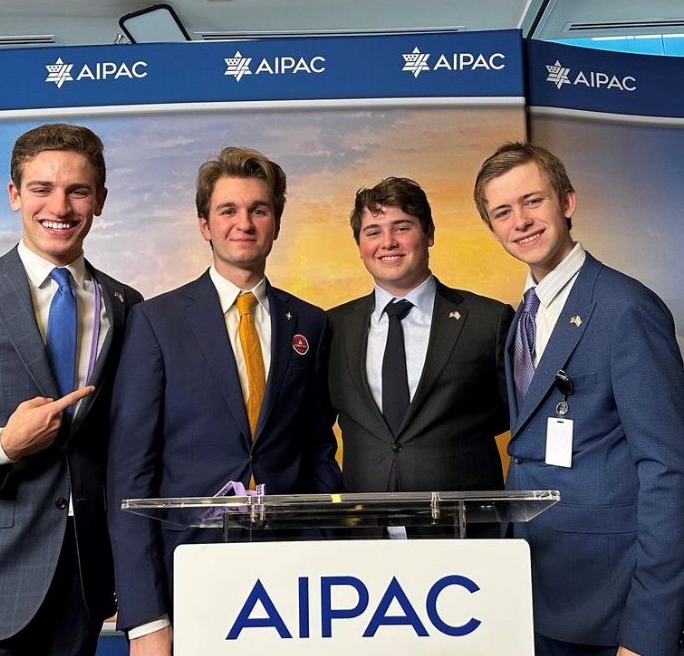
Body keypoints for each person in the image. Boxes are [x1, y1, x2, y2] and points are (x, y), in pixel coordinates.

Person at [107, 146, 342, 655]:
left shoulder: (310, 324)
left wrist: (323, 552)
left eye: (259, 209)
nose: (245, 223)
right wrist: (146, 617)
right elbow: (130, 475)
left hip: (293, 578)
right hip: (188, 573)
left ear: (276, 223)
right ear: (204, 225)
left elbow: (318, 449)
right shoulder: (157, 322)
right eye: (228, 210)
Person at [0, 123, 143, 656]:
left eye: (77, 190)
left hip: (84, 583)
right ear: (14, 196)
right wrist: (2, 445)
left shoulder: (127, 304)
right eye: (41, 189)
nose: (61, 205)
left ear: (100, 199)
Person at [473, 141, 684, 656]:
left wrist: (648, 629)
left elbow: (669, 469)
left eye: (532, 201)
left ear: (566, 201)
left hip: (608, 603)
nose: (520, 221)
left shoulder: (626, 307)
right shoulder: (524, 313)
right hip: (535, 583)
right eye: (502, 212)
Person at [327, 176, 513, 495]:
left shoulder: (488, 320)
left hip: (464, 529)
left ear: (428, 233)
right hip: (362, 529)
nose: (388, 242)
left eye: (402, 227)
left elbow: (512, 418)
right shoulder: (333, 327)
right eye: (373, 232)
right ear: (360, 246)